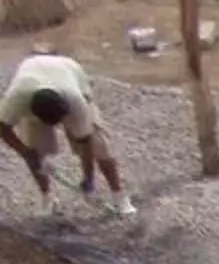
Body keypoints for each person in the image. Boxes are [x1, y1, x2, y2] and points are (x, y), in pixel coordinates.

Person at [0, 54, 130, 215]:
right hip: (32, 70)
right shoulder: (16, 99)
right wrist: (26, 153)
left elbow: (85, 143)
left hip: (68, 71)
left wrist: (88, 180)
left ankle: (119, 196)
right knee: (32, 147)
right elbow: (3, 128)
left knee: (99, 145)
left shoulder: (75, 101)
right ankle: (47, 198)